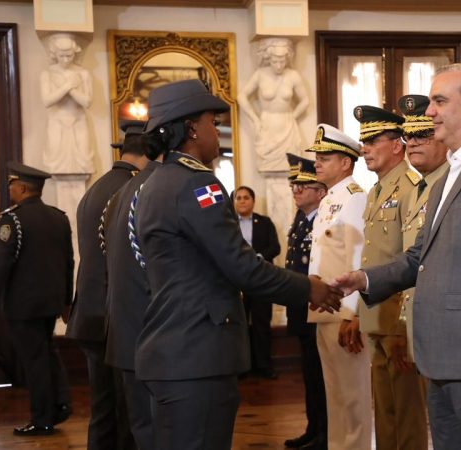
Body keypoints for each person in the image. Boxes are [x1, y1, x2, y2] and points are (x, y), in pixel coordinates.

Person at [336, 63, 461, 450]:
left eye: (439, 101)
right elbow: (420, 257)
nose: (429, 112)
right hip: (442, 358)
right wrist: (364, 279)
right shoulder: (449, 174)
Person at [129, 79, 342, 450]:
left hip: (170, 351)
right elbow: (242, 266)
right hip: (198, 354)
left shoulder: (154, 183)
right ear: (192, 127)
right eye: (213, 122)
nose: (218, 131)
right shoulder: (199, 185)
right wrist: (310, 287)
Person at [340, 104, 427, 450]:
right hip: (377, 318)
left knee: (407, 413)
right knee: (386, 413)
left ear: (397, 145)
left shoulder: (410, 188)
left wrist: (407, 326)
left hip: (398, 322)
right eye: (364, 141)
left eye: (373, 141)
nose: (365, 149)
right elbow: (372, 256)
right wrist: (359, 314)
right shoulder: (376, 191)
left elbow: (412, 263)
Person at [66, 120, 149, 449]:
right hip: (117, 318)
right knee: (126, 415)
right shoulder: (132, 189)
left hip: (90, 314)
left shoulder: (97, 187)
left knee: (104, 412)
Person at [0, 161, 74, 436]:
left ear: (22, 187)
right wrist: (66, 302)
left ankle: (42, 418)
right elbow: (68, 263)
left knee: (35, 361)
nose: (9, 187)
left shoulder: (12, 220)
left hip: (24, 306)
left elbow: (2, 265)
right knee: (47, 353)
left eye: (11, 183)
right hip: (52, 302)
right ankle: (60, 405)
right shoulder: (59, 217)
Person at [305, 123, 372, 450]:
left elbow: (359, 259)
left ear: (346, 163)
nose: (317, 162)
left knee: (352, 394)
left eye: (325, 157)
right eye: (317, 157)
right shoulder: (330, 199)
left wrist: (353, 314)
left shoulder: (354, 199)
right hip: (324, 310)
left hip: (343, 312)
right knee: (334, 394)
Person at [103, 131, 162, 450]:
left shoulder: (116, 194)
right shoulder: (150, 191)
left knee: (140, 425)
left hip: (123, 325)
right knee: (155, 428)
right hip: (150, 329)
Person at [397, 94, 449, 364]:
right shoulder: (417, 189)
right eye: (408, 136)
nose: (413, 143)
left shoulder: (453, 184)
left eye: (422, 135)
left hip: (443, 318)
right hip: (414, 312)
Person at [283, 153, 329, 450]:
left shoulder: (323, 219)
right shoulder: (302, 219)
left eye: (304, 185)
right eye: (295, 186)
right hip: (301, 306)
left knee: (322, 377)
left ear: (320, 191)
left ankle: (325, 432)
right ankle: (313, 428)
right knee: (310, 376)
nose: (297, 190)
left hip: (318, 305)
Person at [239, 37, 309, 172]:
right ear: (268, 59)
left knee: (291, 166)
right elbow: (242, 96)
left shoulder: (293, 75)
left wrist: (292, 116)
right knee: (268, 167)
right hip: (267, 125)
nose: (278, 65)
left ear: (287, 60)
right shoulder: (260, 74)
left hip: (287, 125)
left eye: (282, 61)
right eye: (275, 61)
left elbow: (305, 100)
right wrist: (255, 119)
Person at [233, 185, 282, 379]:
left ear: (253, 201)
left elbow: (275, 248)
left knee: (262, 324)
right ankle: (242, 367)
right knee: (239, 325)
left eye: (246, 197)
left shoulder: (265, 222)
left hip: (261, 279)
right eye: (239, 198)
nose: (243, 201)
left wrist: (258, 257)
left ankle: (264, 366)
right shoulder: (228, 224)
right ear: (234, 202)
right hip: (237, 282)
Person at [40, 33, 94, 174]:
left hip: (78, 121)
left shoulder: (83, 73)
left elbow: (87, 101)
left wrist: (69, 89)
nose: (65, 59)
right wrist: (68, 86)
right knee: (56, 168)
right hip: (57, 122)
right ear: (54, 54)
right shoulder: (47, 74)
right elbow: (47, 101)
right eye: (61, 56)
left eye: (69, 55)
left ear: (74, 53)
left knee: (83, 166)